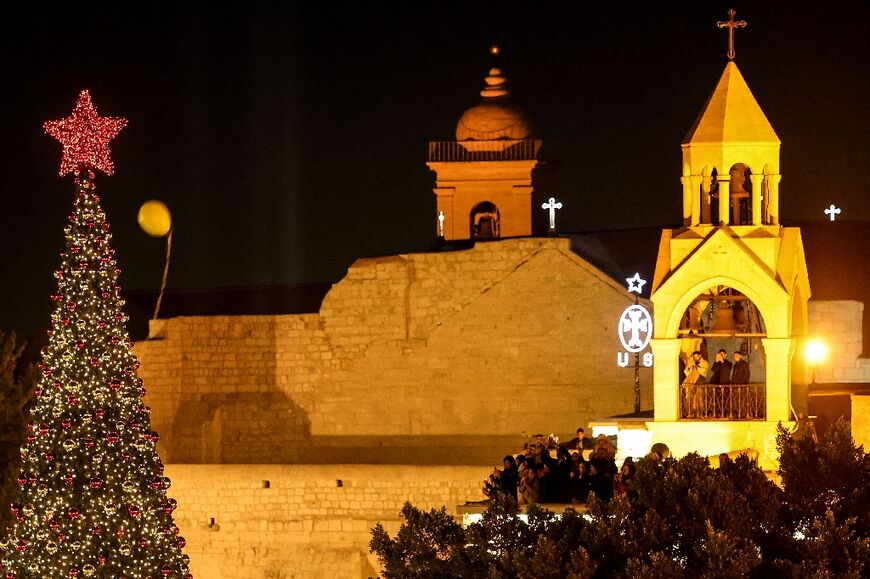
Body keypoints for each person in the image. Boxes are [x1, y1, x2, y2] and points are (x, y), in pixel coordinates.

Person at [683, 350, 709, 418]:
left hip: (700, 383)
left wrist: (695, 367)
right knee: (690, 398)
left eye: (696, 356)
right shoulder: (692, 363)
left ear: (700, 356)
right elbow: (686, 372)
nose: (695, 358)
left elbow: (703, 371)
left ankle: (701, 414)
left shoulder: (704, 363)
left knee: (700, 399)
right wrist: (690, 367)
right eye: (694, 357)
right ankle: (690, 413)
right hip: (692, 383)